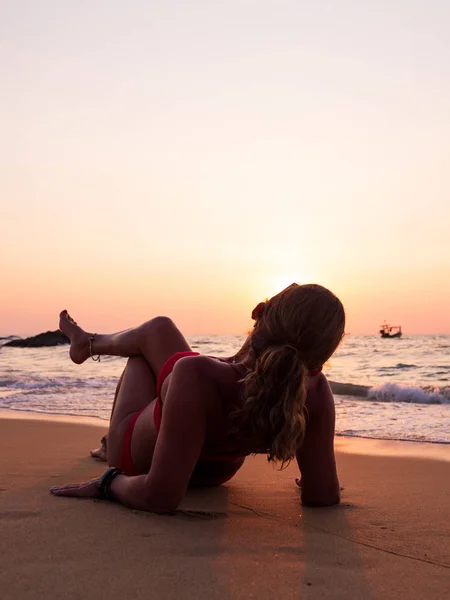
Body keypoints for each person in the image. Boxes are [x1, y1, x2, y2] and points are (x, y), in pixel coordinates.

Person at [50, 283, 345, 513]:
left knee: (152, 342)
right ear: (318, 364)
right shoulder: (316, 390)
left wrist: (108, 483)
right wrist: (312, 476)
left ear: (258, 312)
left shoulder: (196, 374)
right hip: (217, 474)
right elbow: (323, 496)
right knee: (167, 339)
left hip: (134, 460)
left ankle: (87, 347)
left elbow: (159, 497)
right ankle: (87, 343)